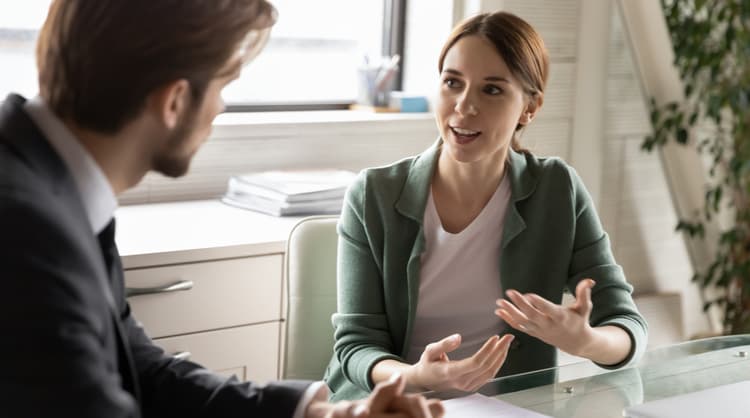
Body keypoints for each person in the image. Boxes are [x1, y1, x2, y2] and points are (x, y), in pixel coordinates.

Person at [0, 1, 444, 417]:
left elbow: (139, 369)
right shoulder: (29, 236)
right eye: (223, 86)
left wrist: (317, 413)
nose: (221, 107)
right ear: (174, 101)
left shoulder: (56, 190)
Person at [324, 11, 648, 401]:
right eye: (452, 83)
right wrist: (418, 376)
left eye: (491, 90)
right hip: (392, 404)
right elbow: (356, 347)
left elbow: (626, 323)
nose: (464, 106)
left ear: (530, 107)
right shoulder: (373, 195)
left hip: (507, 409)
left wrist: (588, 341)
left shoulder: (557, 191)